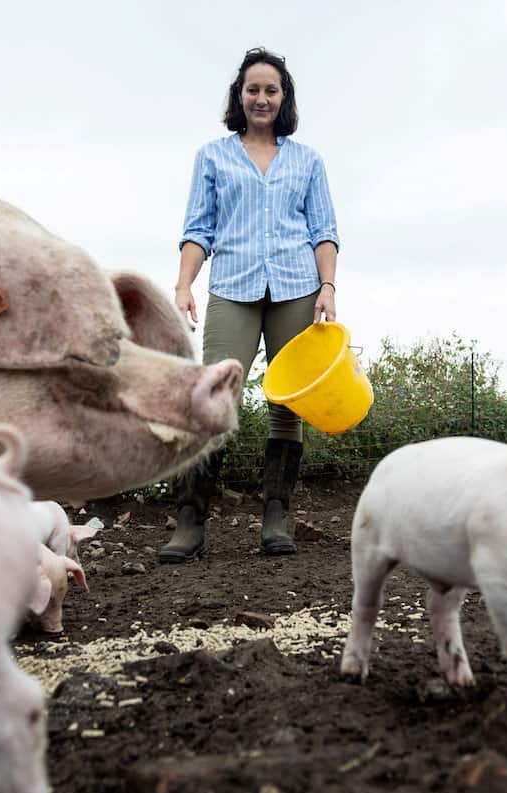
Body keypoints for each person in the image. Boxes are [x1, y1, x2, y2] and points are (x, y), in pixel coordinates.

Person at [158, 46, 340, 563]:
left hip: (295, 288)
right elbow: (199, 229)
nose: (262, 98)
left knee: (288, 402)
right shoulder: (213, 156)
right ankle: (189, 523)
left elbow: (324, 231)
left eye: (271, 90)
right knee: (215, 398)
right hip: (233, 285)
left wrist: (327, 287)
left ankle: (277, 518)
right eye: (253, 89)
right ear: (240, 96)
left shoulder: (308, 161)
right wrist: (183, 283)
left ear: (284, 100)